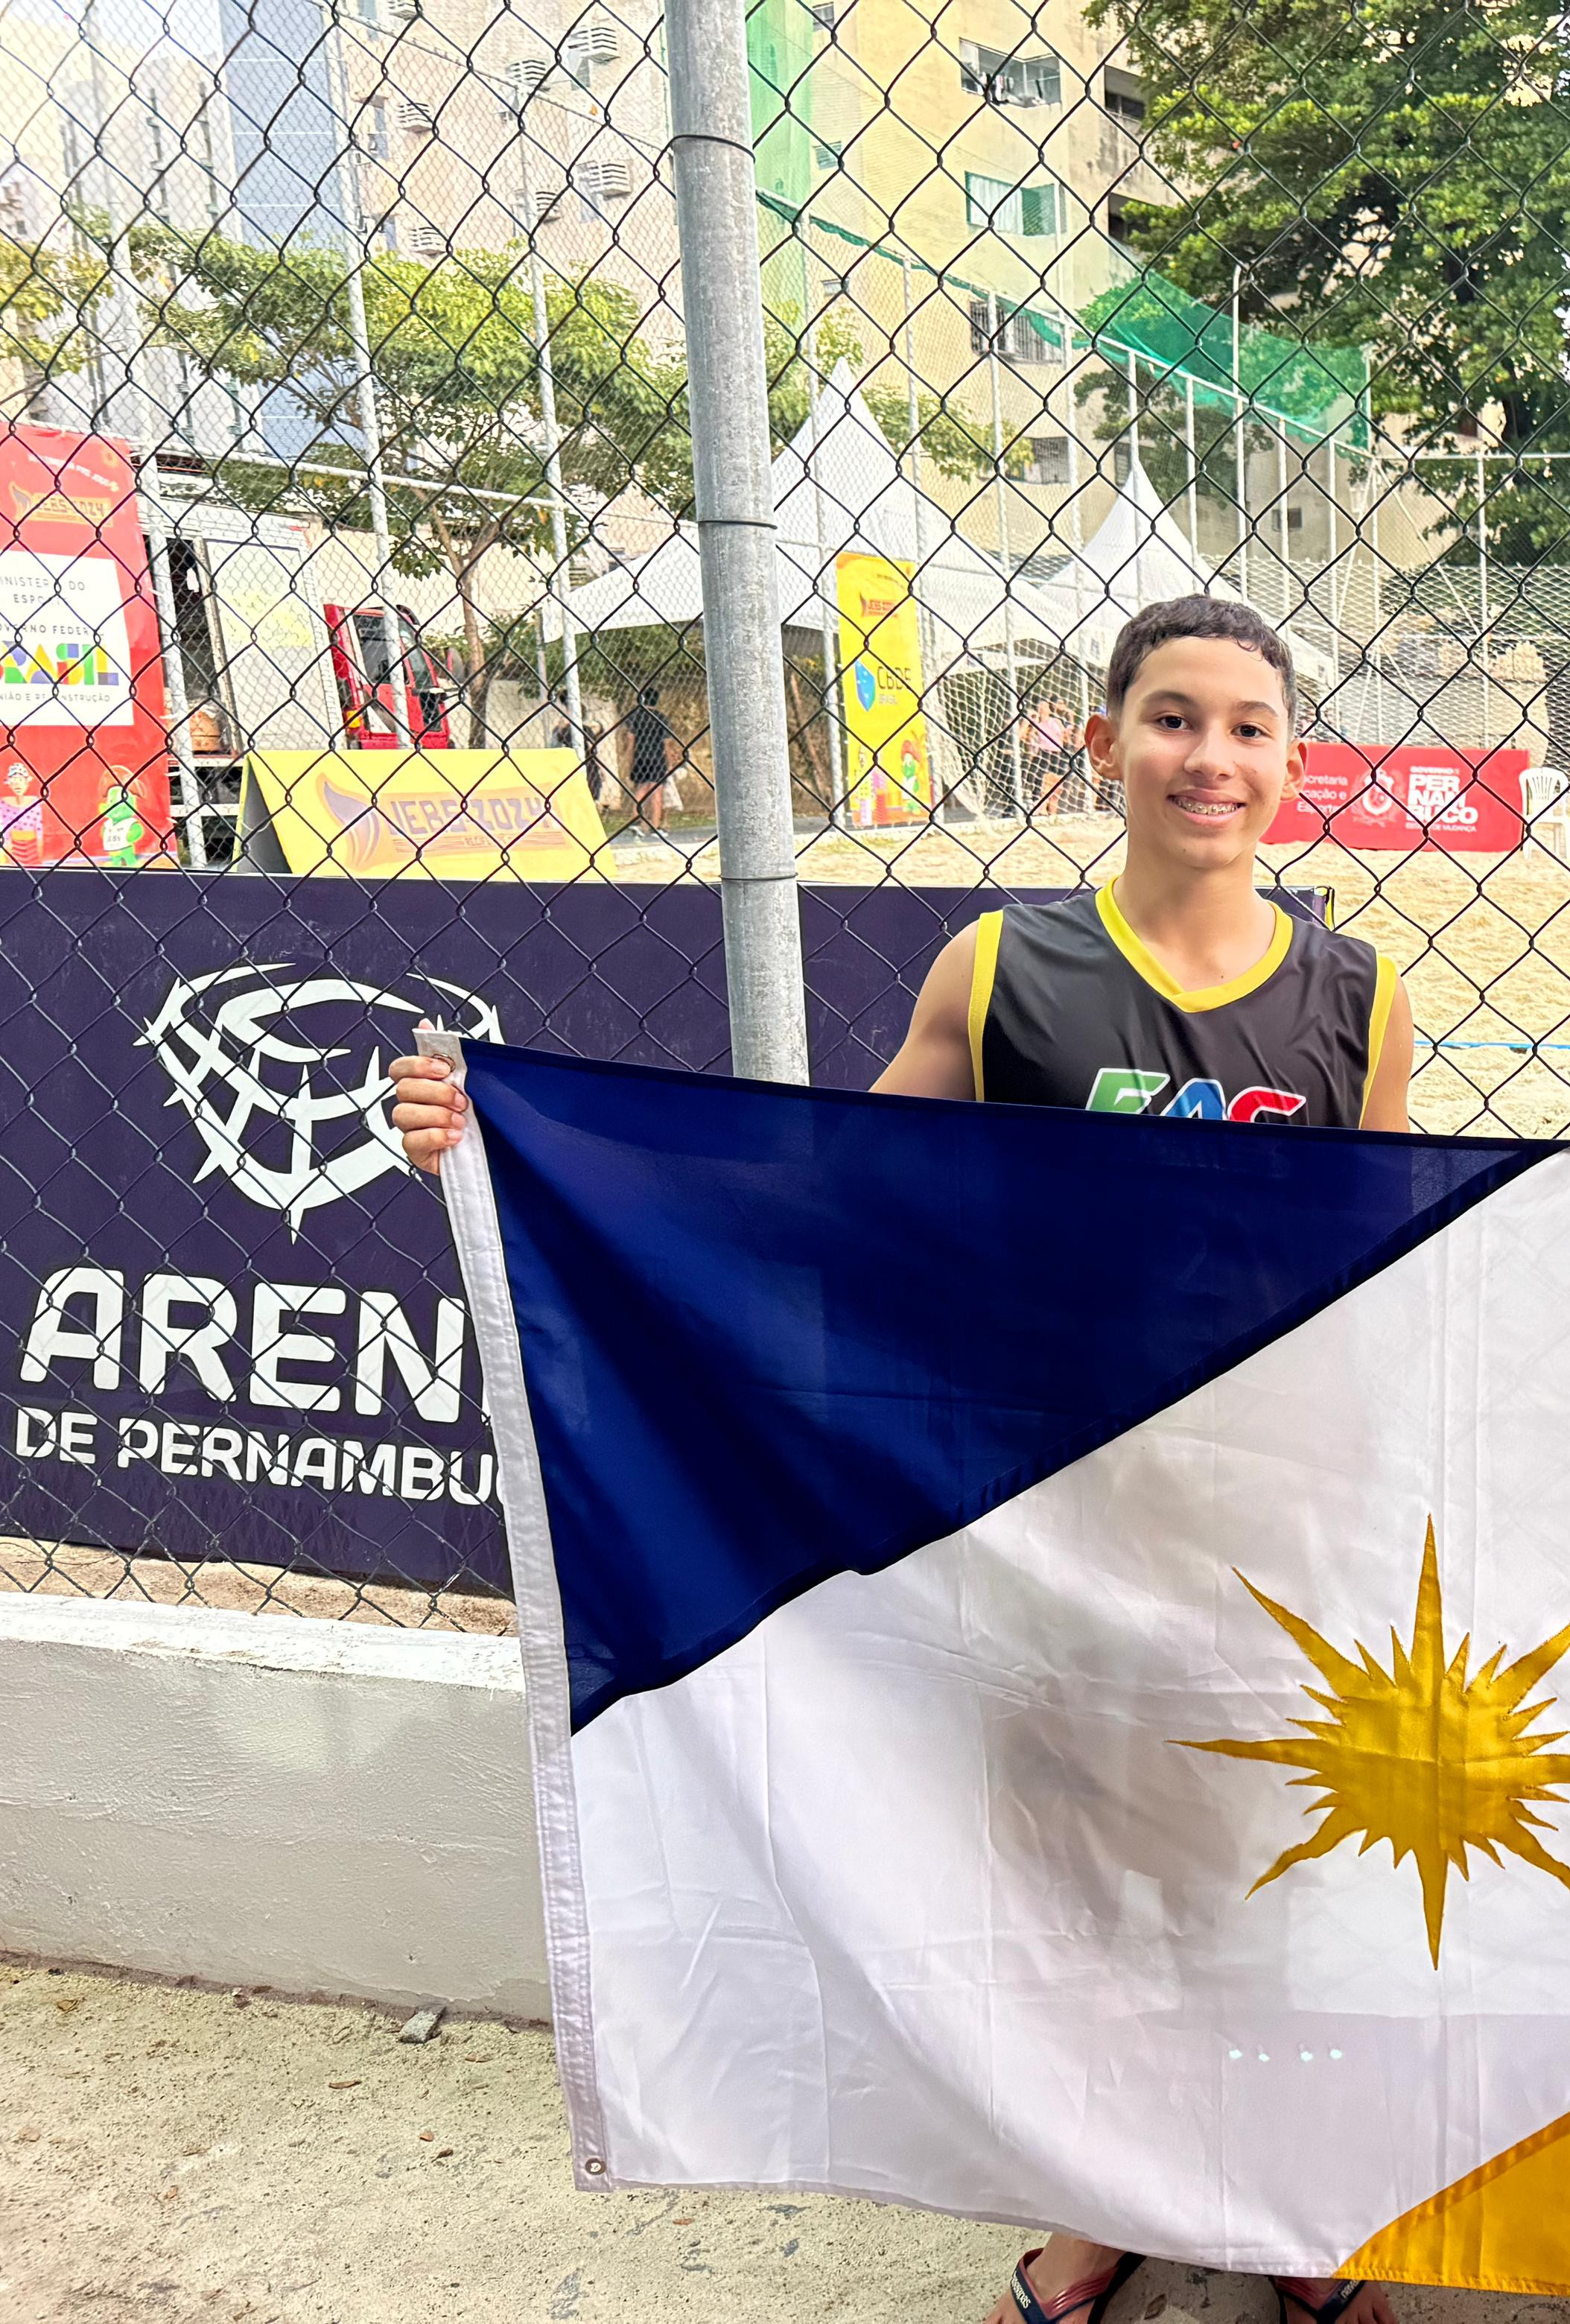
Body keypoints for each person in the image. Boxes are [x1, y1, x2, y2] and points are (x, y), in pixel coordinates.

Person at [388, 593, 1414, 2324]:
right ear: (1103, 740)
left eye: (1248, 726)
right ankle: (1096, 2206)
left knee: (1259, 1882)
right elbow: (823, 1189)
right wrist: (513, 1147)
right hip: (1041, 1512)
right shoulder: (1003, 971)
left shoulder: (1355, 996)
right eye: (1173, 718)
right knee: (1071, 1883)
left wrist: (1363, 1494)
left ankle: (1275, 2207)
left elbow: (1390, 1271)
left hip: (1260, 1519)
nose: (1210, 757)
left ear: (1294, 760)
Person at [623, 686, 678, 836]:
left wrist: (630, 761)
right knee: (656, 791)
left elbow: (630, 740)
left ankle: (636, 821)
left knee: (641, 788)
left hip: (640, 757)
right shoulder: (662, 718)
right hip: (657, 758)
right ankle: (655, 826)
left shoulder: (635, 716)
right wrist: (669, 763)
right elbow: (667, 743)